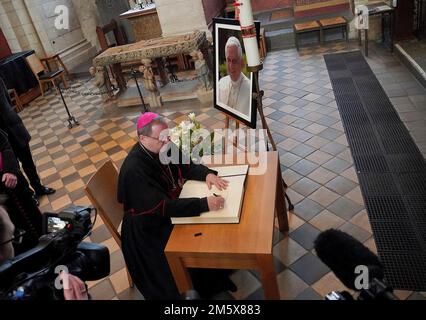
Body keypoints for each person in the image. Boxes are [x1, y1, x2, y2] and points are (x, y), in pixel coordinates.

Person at [118, 112, 236, 300]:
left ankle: (216, 270)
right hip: (148, 230)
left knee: (206, 228)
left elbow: (187, 165)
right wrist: (203, 204)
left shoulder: (163, 145)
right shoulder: (134, 170)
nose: (168, 143)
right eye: (162, 139)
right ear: (143, 138)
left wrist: (206, 174)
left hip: (168, 209)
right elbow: (164, 207)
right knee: (195, 239)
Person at [0, 77, 55, 203]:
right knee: (14, 168)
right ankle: (29, 195)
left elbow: (7, 100)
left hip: (13, 125)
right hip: (2, 136)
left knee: (28, 161)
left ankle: (38, 188)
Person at [0, 129, 42, 254]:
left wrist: (10, 170)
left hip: (13, 182)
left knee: (35, 219)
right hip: (3, 201)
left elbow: (5, 145)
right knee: (15, 235)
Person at [218, 36, 251, 116]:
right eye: (228, 60)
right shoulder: (221, 83)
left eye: (234, 61)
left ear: (241, 63)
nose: (231, 66)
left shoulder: (250, 88)